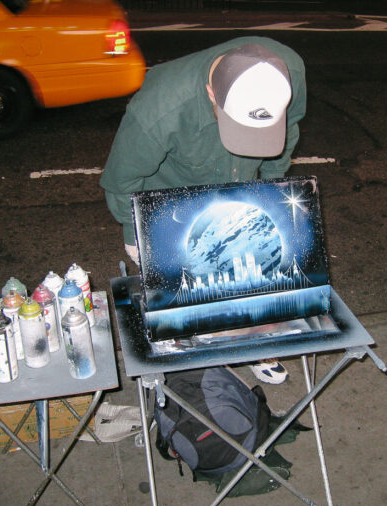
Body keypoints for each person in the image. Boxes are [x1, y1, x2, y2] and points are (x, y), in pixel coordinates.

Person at [100, 36, 306, 384]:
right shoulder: (159, 108)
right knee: (184, 293)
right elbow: (121, 181)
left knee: (249, 273)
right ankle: (195, 366)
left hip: (237, 192)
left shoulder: (288, 73)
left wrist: (269, 192)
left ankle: (251, 343)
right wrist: (139, 236)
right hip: (168, 203)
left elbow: (290, 132)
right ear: (212, 93)